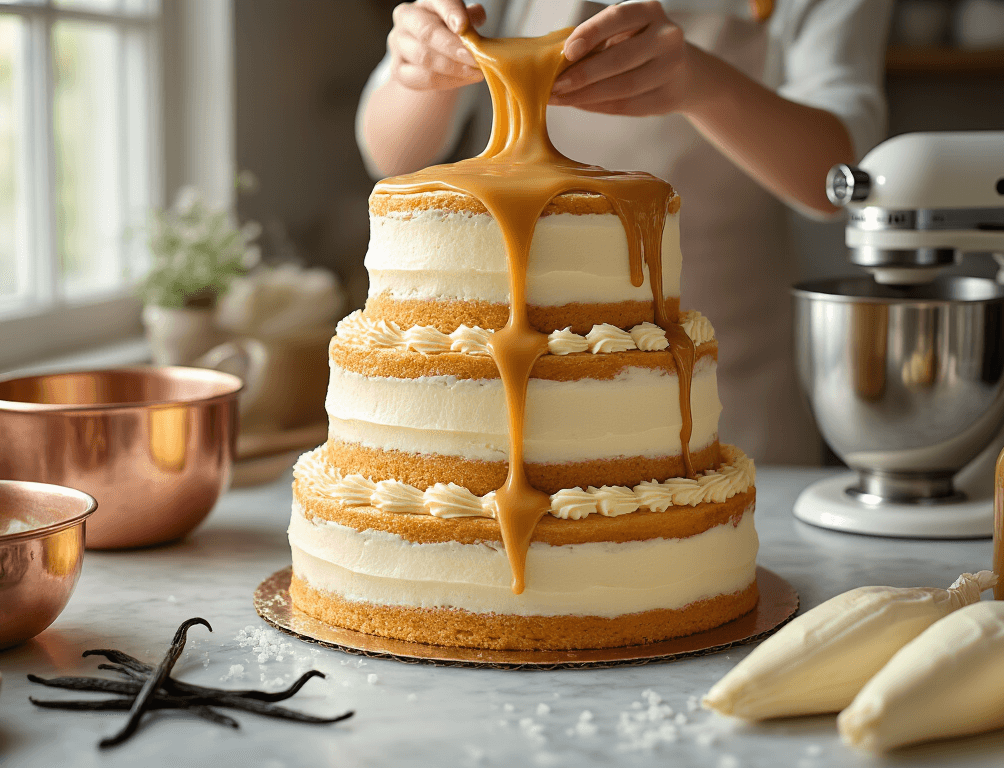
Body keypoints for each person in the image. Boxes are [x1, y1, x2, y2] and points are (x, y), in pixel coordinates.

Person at [356, 0, 891, 465]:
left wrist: (703, 84)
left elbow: (840, 179)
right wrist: (418, 67)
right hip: (516, 388)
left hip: (722, 389)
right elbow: (391, 154)